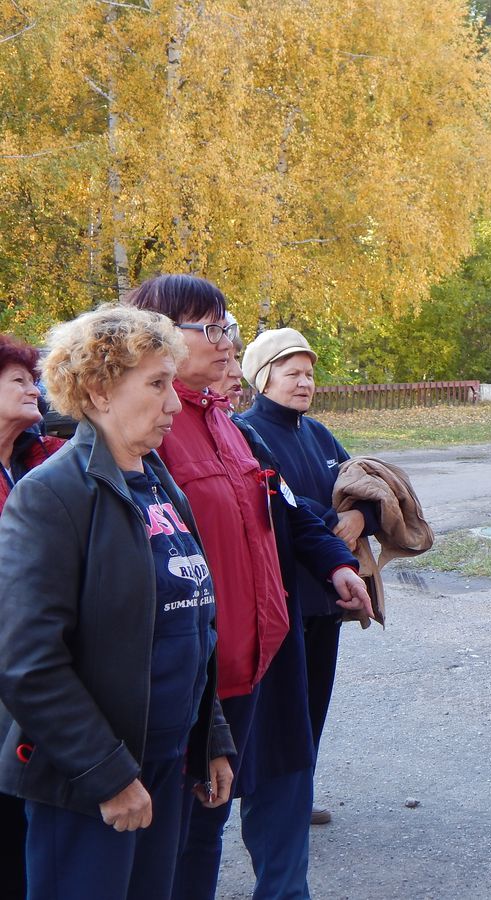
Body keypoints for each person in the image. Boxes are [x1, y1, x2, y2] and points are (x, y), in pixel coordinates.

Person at [125, 274, 372, 900]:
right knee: (177, 837)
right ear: (156, 335)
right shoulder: (143, 433)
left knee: (225, 815)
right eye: (210, 327)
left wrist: (336, 564)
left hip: (262, 657)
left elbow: (287, 509)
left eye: (226, 326)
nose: (226, 341)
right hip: (192, 672)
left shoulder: (234, 428)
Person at [0, 305, 234, 899]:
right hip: (90, 785)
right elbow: (27, 662)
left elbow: (193, 624)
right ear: (99, 391)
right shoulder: (52, 495)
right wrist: (106, 775)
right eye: (156, 385)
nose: (174, 404)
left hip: (165, 764)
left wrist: (211, 739)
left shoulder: (158, 482)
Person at [240, 327, 381, 825]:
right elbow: (281, 506)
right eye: (292, 373)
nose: (304, 383)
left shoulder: (318, 433)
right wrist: (330, 522)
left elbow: (362, 487)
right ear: (263, 378)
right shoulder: (245, 433)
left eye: (309, 374)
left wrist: (361, 516)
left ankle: (299, 796)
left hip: (325, 594)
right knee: (278, 713)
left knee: (313, 702)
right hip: (279, 595)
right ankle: (270, 809)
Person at [0, 334, 66, 898]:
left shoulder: (40, 459)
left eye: (33, 379)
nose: (33, 388)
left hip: (33, 667)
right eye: (18, 380)